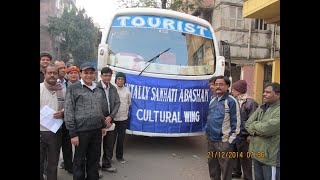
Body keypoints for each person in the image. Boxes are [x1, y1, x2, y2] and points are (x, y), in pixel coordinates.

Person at [64, 63, 108, 180]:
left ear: (94, 74)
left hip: (96, 130)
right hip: (81, 132)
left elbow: (101, 109)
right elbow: (68, 111)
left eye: (91, 73)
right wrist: (73, 133)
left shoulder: (99, 88)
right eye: (86, 73)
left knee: (94, 159)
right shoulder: (73, 88)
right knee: (79, 160)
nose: (88, 75)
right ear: (81, 74)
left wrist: (103, 125)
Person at [206, 75, 241, 180]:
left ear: (228, 86)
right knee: (213, 169)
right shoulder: (213, 99)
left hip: (224, 142)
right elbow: (209, 118)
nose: (218, 86)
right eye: (216, 84)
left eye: (221, 84)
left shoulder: (231, 101)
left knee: (226, 171)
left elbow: (237, 123)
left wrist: (229, 142)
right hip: (211, 141)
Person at [245, 82, 280, 180]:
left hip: (271, 158)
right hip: (257, 154)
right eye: (264, 92)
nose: (264, 94)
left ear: (278, 94)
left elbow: (267, 129)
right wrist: (258, 129)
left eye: (268, 92)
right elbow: (248, 124)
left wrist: (254, 127)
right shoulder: (262, 107)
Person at [231, 80, 258, 180]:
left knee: (245, 157)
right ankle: (236, 172)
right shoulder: (235, 100)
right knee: (234, 154)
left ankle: (248, 177)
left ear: (239, 90)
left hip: (244, 134)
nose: (232, 91)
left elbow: (254, 120)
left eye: (234, 89)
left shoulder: (251, 102)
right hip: (235, 133)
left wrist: (251, 134)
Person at [40, 64, 64, 180]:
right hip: (41, 132)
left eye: (55, 73)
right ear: (44, 74)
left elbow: (68, 106)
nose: (52, 75)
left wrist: (63, 112)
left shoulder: (61, 89)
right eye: (50, 73)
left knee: (53, 162)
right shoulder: (40, 88)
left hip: (56, 131)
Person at [97, 67, 120, 173]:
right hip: (98, 120)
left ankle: (106, 164)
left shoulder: (113, 88)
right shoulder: (95, 88)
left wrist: (111, 117)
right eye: (105, 75)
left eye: (109, 75)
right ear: (101, 76)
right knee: (96, 145)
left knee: (109, 144)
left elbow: (117, 103)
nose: (107, 77)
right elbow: (94, 105)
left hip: (110, 120)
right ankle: (96, 167)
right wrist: (103, 118)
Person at [54, 60, 73, 174]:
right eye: (60, 68)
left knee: (67, 144)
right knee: (54, 146)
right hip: (53, 118)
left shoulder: (68, 82)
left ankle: (69, 166)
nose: (62, 70)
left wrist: (65, 111)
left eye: (64, 67)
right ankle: (51, 170)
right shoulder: (51, 82)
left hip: (66, 117)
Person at [113, 72, 131, 164]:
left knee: (121, 139)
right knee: (110, 140)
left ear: (124, 81)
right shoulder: (112, 89)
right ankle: (108, 158)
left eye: (122, 79)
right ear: (116, 80)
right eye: (119, 79)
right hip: (113, 119)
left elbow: (129, 103)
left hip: (123, 119)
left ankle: (119, 157)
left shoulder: (127, 90)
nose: (120, 81)